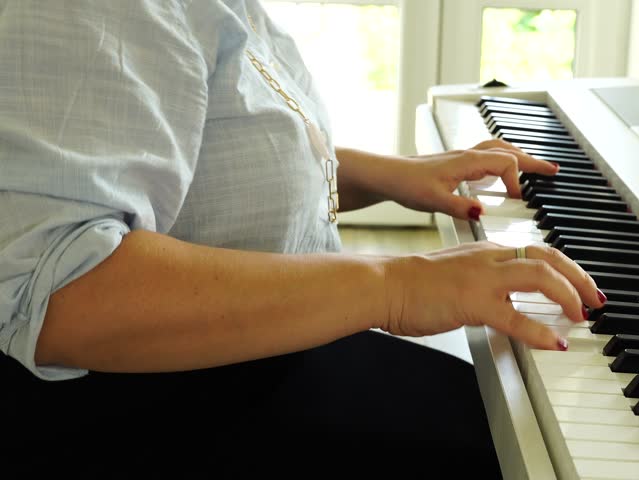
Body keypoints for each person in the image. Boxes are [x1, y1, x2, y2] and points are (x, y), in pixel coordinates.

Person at [0, 0, 605, 477]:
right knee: (521, 446)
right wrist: (397, 284)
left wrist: (389, 174)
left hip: (249, 366)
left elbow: (210, 156)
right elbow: (58, 291)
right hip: (144, 414)